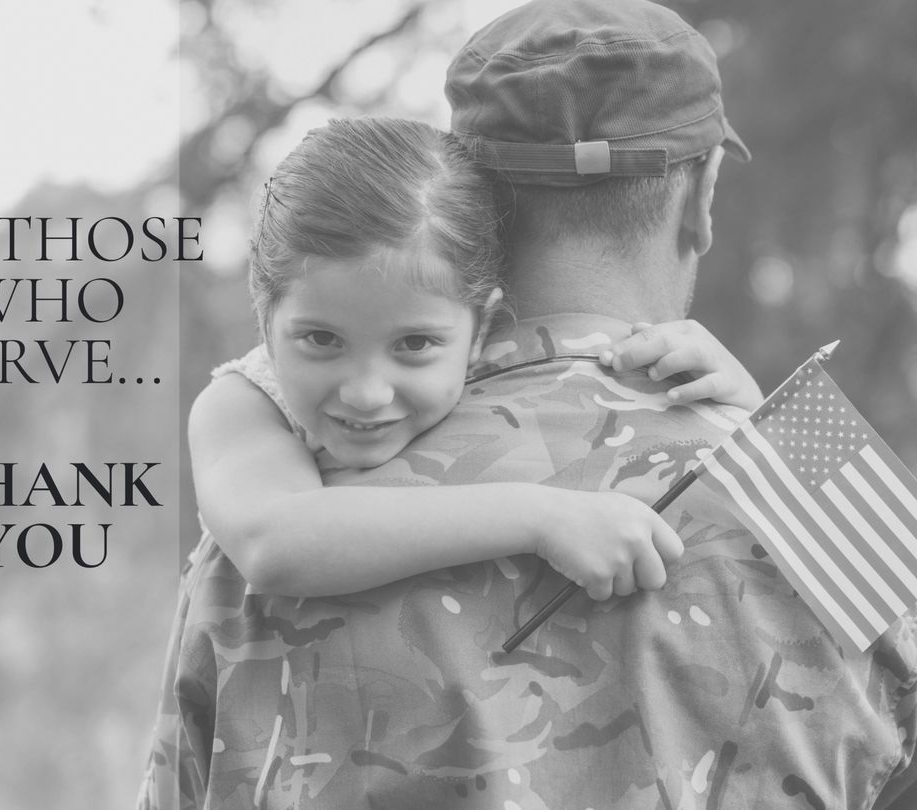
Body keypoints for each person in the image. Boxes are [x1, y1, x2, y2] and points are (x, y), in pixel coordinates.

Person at [139, 2, 917, 808]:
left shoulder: (274, 517)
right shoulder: (834, 509)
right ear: (702, 198)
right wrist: (756, 440)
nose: (366, 390)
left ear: (468, 203)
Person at [191, 116, 759, 604]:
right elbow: (272, 544)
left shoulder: (507, 368)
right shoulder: (243, 402)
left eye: (412, 346)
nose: (366, 392)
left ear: (482, 325)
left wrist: (745, 404)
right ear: (265, 318)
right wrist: (543, 518)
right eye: (320, 340)